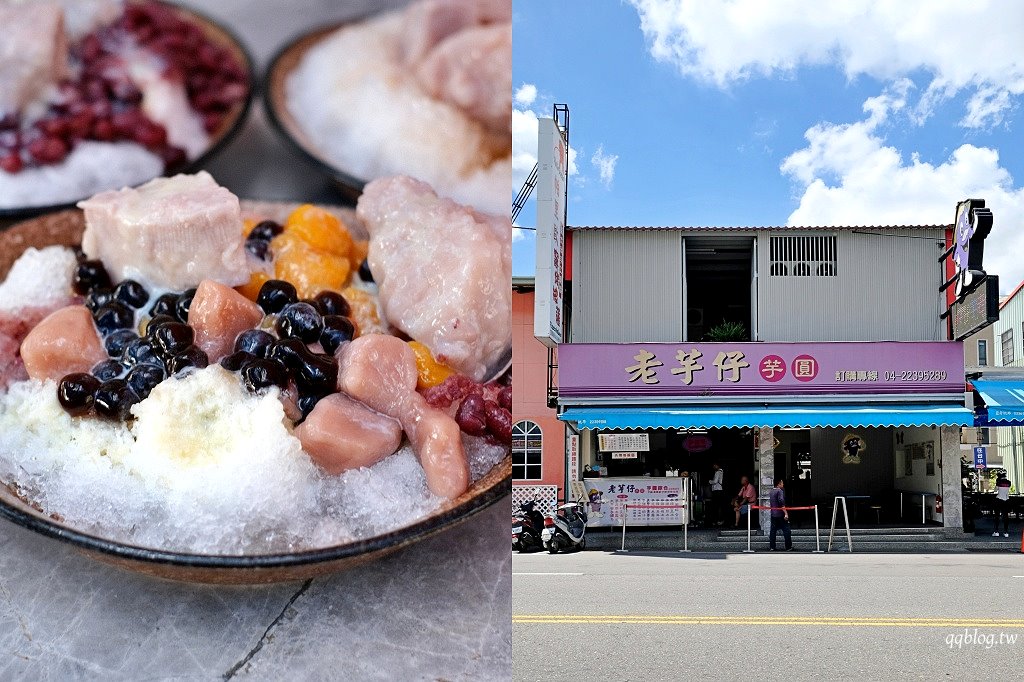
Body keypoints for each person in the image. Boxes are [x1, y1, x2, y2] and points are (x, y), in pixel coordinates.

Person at [769, 477, 793, 551]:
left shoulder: (771, 491)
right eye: (782, 483)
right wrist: (786, 513)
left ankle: (772, 546)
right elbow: (781, 502)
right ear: (779, 484)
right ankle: (788, 547)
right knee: (786, 530)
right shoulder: (780, 491)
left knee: (773, 531)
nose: (783, 484)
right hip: (780, 514)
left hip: (773, 514)